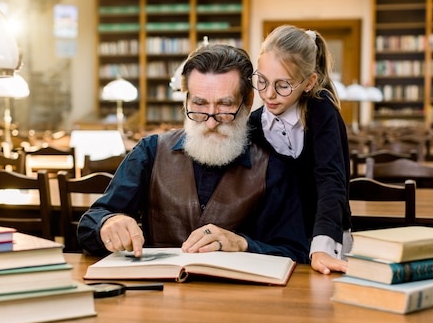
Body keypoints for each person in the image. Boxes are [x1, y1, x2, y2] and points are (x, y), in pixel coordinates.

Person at [77, 44, 310, 263]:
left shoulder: (274, 168)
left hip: (238, 300)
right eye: (199, 105)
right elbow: (90, 223)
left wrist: (242, 244)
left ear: (248, 103)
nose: (210, 122)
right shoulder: (150, 151)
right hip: (157, 297)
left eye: (224, 106)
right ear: (186, 100)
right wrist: (109, 223)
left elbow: (294, 252)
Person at [249, 25, 352, 274]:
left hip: (326, 235)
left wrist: (322, 247)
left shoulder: (322, 111)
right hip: (279, 243)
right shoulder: (253, 124)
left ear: (308, 83)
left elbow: (331, 180)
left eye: (283, 85)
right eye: (262, 81)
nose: (269, 94)